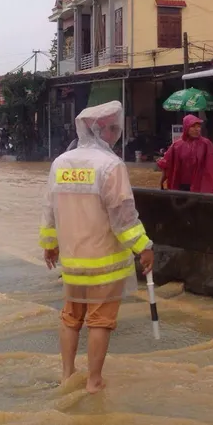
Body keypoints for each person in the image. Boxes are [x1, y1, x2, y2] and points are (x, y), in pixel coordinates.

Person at [39, 101, 155, 394]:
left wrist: (50, 245)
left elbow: (49, 210)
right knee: (100, 322)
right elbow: (123, 216)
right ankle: (93, 381)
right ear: (102, 130)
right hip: (104, 263)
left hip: (73, 263)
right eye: (115, 128)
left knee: (70, 318)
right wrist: (144, 246)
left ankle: (67, 375)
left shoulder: (61, 163)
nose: (117, 133)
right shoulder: (111, 165)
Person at [157, 114, 213, 194]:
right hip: (181, 186)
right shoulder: (177, 145)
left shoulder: (206, 144)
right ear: (186, 127)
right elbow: (166, 164)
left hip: (200, 187)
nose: (197, 129)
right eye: (193, 126)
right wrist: (161, 182)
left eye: (198, 126)